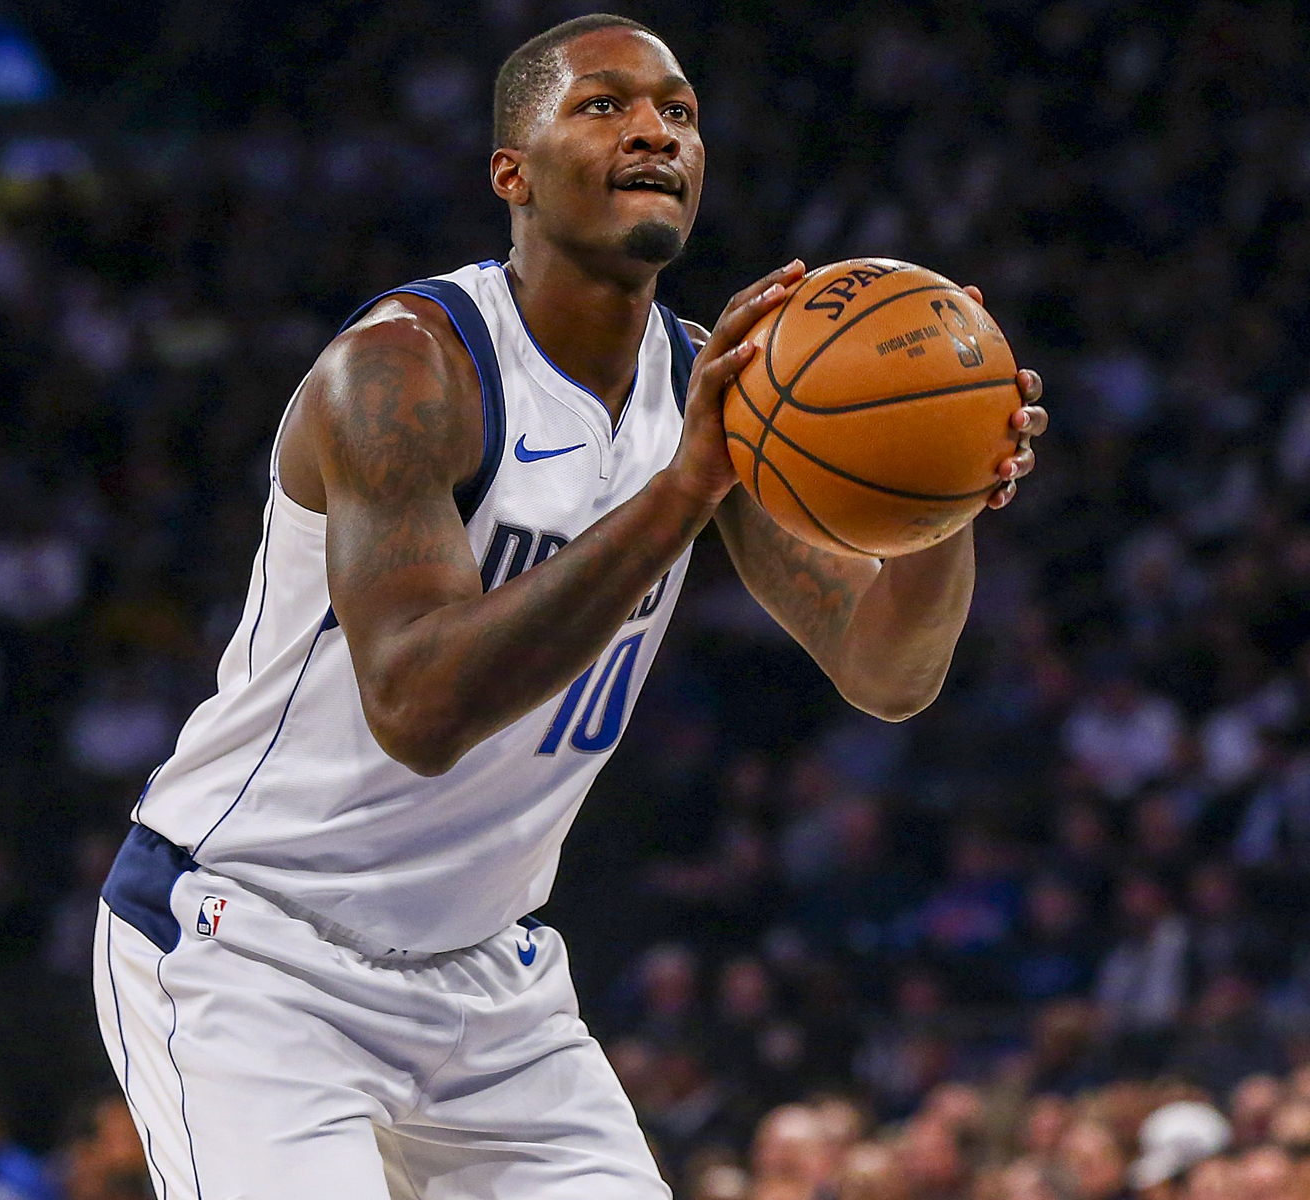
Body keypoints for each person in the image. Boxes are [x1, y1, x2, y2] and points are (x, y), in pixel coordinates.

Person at [89, 13, 1046, 1200]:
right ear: (513, 173)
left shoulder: (713, 392)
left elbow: (888, 673)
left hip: (489, 981)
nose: (655, 131)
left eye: (679, 111)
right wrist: (683, 489)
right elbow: (420, 708)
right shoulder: (404, 371)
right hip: (253, 949)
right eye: (604, 106)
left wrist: (941, 495)